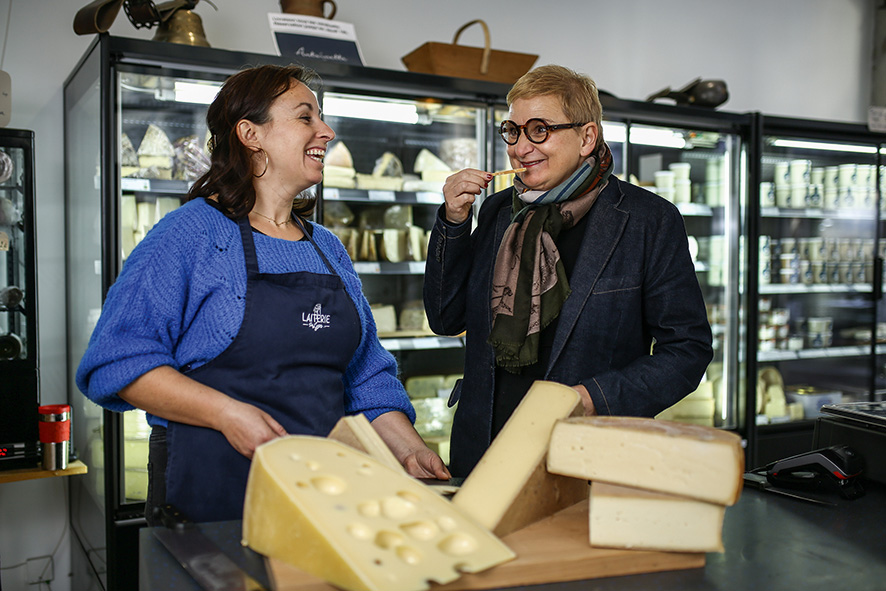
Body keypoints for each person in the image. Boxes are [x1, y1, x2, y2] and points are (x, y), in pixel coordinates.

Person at [77, 64, 449, 523]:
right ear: (251, 134)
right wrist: (227, 414)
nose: (326, 131)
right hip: (215, 497)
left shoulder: (327, 247)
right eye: (306, 117)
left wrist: (411, 450)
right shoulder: (190, 234)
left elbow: (365, 377)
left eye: (322, 117)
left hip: (323, 497)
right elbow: (115, 361)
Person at [423, 65, 713, 478]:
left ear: (587, 138)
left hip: (590, 456)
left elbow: (687, 351)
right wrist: (453, 222)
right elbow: (444, 317)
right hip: (485, 453)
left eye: (540, 129)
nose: (521, 147)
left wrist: (592, 398)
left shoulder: (647, 220)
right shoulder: (494, 211)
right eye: (513, 130)